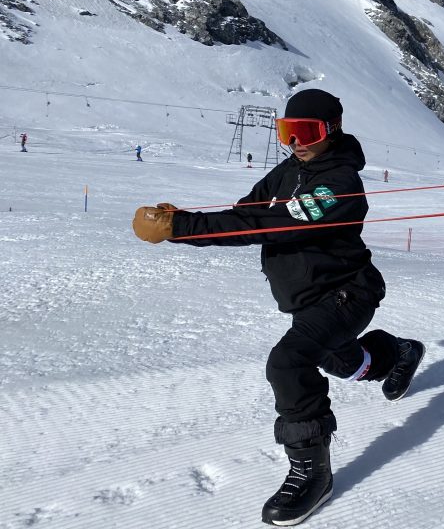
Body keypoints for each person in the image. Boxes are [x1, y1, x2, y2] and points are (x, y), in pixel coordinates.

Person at [132, 89, 425, 526]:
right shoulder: (289, 169)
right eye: (288, 132)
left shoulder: (340, 184)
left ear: (332, 130)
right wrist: (182, 218)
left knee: (288, 363)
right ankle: (394, 354)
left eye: (307, 132)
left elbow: (275, 225)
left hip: (347, 294)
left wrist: (181, 228)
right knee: (342, 363)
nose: (296, 142)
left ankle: (312, 473)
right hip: (304, 298)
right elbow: (244, 213)